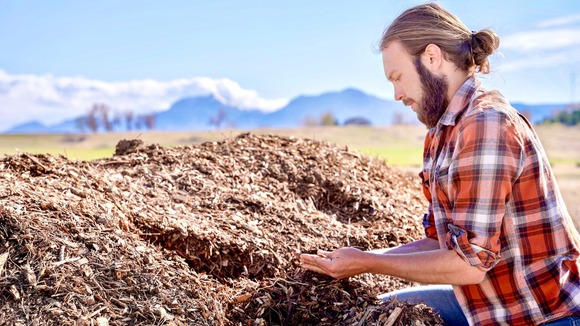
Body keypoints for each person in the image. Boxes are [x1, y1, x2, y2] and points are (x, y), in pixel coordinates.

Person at [298, 3, 580, 325]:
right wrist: (358, 259)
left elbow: (469, 265)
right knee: (372, 313)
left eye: (398, 77)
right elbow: (441, 242)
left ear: (432, 58)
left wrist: (367, 263)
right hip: (488, 306)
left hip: (543, 314)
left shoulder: (486, 124)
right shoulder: (441, 131)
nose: (396, 94)